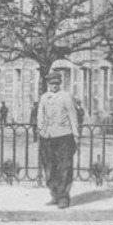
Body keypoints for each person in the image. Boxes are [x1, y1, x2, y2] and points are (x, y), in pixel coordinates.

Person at [35, 72, 82, 209]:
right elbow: (40, 116)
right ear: (48, 84)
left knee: (64, 167)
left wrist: (76, 134)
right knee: (49, 167)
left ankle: (63, 197)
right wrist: (40, 129)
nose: (54, 86)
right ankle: (54, 194)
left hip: (64, 137)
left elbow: (73, 116)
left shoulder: (66, 97)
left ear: (59, 84)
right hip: (47, 137)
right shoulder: (44, 98)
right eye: (51, 84)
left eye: (56, 84)